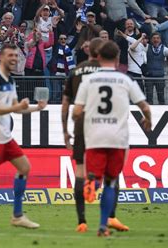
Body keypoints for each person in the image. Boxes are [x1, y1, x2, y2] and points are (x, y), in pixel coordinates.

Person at [72, 40, 152, 236]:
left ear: (98, 57)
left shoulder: (88, 81)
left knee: (95, 173)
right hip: (118, 137)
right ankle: (102, 226)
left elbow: (76, 111)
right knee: (112, 181)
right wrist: (147, 120)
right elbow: (145, 107)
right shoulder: (125, 80)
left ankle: (92, 181)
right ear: (117, 59)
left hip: (94, 137)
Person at [0, 43, 46, 231]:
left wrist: (37, 107)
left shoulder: (10, 80)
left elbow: (16, 108)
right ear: (1, 57)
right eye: (10, 55)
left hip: (5, 135)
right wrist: (17, 107)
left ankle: (17, 216)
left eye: (16, 55)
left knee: (24, 168)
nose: (14, 58)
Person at [61, 38, 129, 233]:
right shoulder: (108, 74)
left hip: (81, 124)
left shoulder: (76, 70)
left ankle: (81, 221)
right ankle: (111, 217)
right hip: (104, 125)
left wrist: (65, 131)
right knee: (111, 173)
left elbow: (66, 103)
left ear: (88, 50)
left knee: (80, 172)